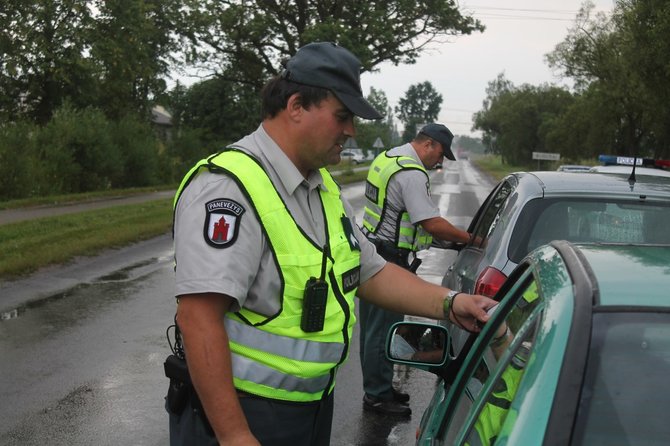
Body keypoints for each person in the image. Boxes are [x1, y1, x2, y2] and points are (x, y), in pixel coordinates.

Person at [168, 41, 496, 446]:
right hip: (240, 417)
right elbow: (198, 318)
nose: (351, 131)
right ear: (296, 106)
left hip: (308, 409)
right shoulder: (229, 187)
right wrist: (235, 435)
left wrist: (450, 303)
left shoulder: (319, 187)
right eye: (342, 116)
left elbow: (369, 271)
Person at [359, 123, 474, 415]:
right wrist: (470, 239)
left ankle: (381, 386)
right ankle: (376, 396)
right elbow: (430, 222)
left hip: (374, 251)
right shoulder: (411, 172)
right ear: (429, 145)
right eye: (440, 154)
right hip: (389, 259)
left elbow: (401, 218)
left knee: (375, 330)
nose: (440, 161)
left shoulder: (388, 158)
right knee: (383, 330)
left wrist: (448, 244)